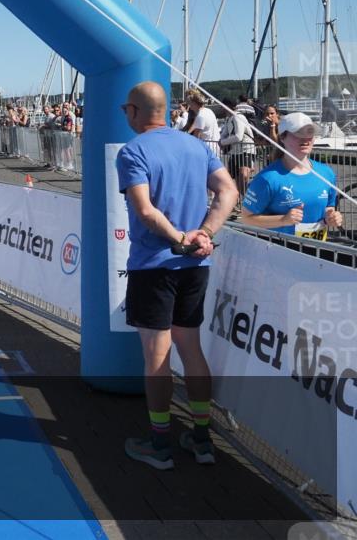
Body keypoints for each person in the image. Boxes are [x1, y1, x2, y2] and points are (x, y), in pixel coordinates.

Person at [116, 81, 238, 470]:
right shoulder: (197, 146)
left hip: (156, 265)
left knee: (157, 357)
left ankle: (160, 443)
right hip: (194, 266)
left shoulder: (133, 150)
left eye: (125, 110)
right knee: (191, 348)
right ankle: (202, 439)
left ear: (134, 111)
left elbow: (146, 211)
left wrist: (182, 239)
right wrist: (204, 234)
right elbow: (229, 192)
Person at [240, 112, 343, 240]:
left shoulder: (326, 173)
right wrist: (283, 220)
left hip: (318, 250)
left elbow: (329, 206)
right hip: (280, 251)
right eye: (298, 134)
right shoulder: (267, 179)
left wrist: (331, 216)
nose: (305, 139)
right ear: (282, 137)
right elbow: (246, 218)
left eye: (310, 133)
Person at [218, 98, 256, 199]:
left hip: (246, 149)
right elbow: (224, 133)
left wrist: (222, 142)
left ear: (227, 107)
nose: (221, 109)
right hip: (235, 151)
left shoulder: (238, 117)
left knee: (243, 177)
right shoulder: (229, 119)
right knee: (236, 179)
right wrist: (221, 139)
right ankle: (244, 202)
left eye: (222, 106)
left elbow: (238, 136)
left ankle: (252, 200)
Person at [187, 91, 221, 156]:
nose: (190, 106)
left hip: (207, 148)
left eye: (190, 104)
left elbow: (196, 136)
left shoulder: (200, 116)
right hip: (215, 147)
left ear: (194, 103)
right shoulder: (209, 111)